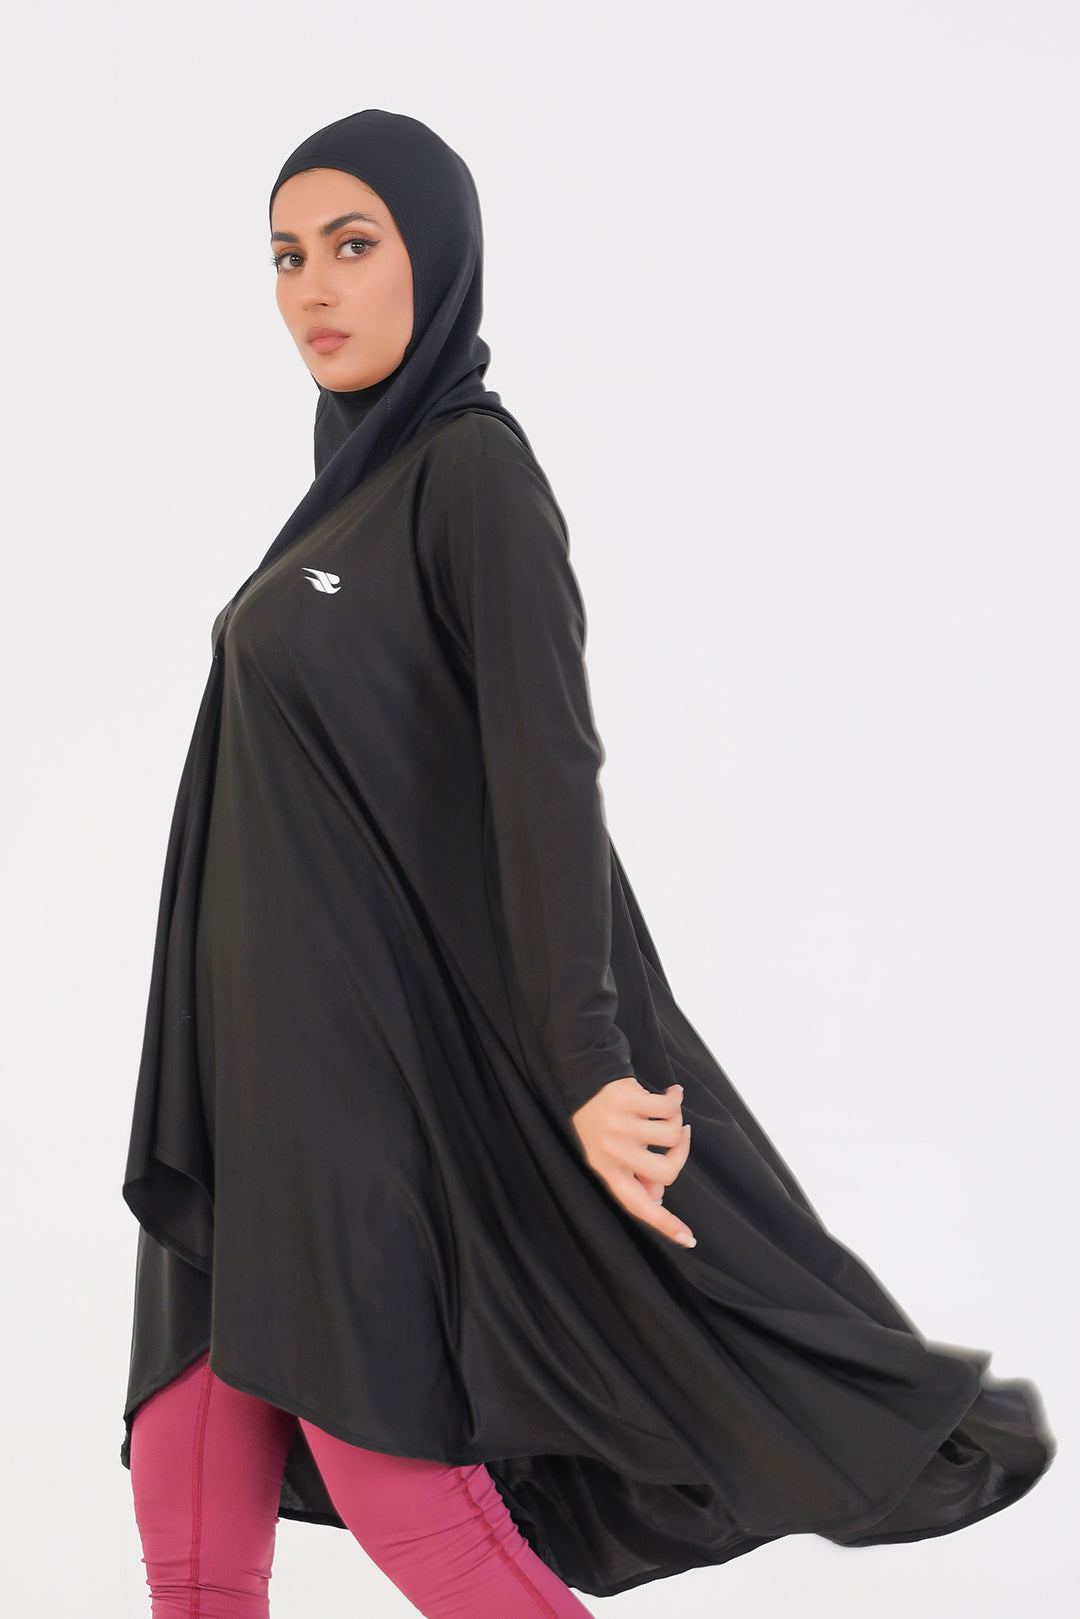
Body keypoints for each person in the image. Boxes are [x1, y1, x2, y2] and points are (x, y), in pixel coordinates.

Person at [120, 109, 1055, 1617]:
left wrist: (584, 1059)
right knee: (185, 1489)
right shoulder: (333, 507)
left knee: (398, 1479)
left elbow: (544, 777)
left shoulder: (470, 474)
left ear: (438, 258)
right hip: (236, 1086)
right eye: (287, 256)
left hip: (359, 1092)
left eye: (353, 245)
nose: (313, 288)